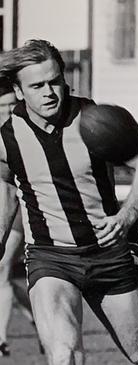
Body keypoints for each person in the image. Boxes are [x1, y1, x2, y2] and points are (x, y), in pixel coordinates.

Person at [0, 39, 138, 365]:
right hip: (51, 257)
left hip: (107, 252)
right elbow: (5, 186)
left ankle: (137, 257)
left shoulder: (92, 121)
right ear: (19, 91)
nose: (49, 92)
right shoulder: (7, 138)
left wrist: (125, 218)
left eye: (54, 81)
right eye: (37, 86)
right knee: (64, 354)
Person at [0, 81, 35, 357]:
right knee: (4, 278)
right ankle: (37, 313)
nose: (8, 110)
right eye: (2, 105)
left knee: (2, 270)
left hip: (18, 212)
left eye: (13, 104)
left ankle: (0, 338)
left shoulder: (23, 134)